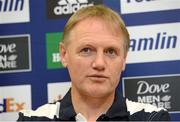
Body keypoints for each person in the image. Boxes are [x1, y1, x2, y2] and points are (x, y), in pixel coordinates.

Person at [17, 5, 170, 121]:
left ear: (123, 60)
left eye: (111, 51)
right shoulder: (30, 119)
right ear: (64, 55)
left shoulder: (152, 118)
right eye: (86, 50)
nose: (99, 63)